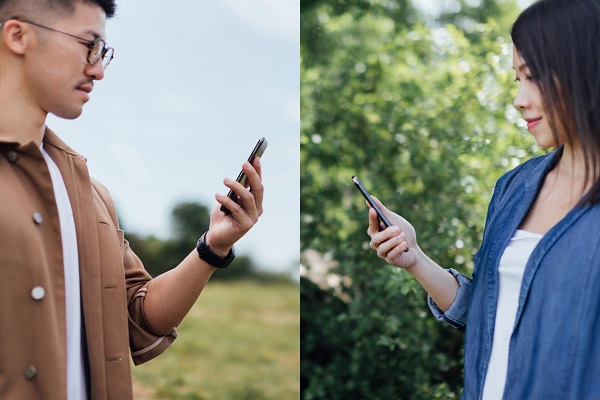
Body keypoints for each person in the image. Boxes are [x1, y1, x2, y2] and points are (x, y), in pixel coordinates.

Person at [0, 0, 264, 398]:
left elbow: (137, 317)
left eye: (103, 53)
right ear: (18, 36)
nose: (99, 70)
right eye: (89, 46)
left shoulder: (92, 193)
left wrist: (213, 246)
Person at [366, 0, 600, 398]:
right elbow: (489, 313)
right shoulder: (515, 187)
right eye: (516, 80)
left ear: (582, 68)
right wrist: (415, 257)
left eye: (533, 77)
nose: (519, 100)